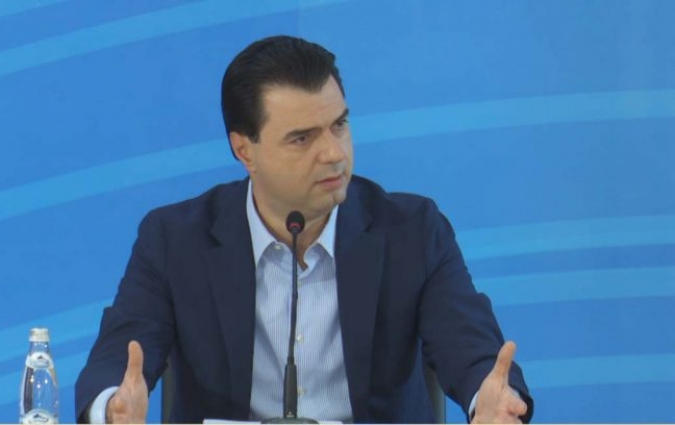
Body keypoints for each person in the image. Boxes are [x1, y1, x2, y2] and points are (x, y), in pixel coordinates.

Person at [75, 35, 533, 424]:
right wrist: (111, 408)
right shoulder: (175, 240)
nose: (333, 153)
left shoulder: (413, 231)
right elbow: (120, 354)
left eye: (339, 125)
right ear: (244, 150)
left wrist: (490, 401)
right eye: (302, 138)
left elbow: (470, 348)